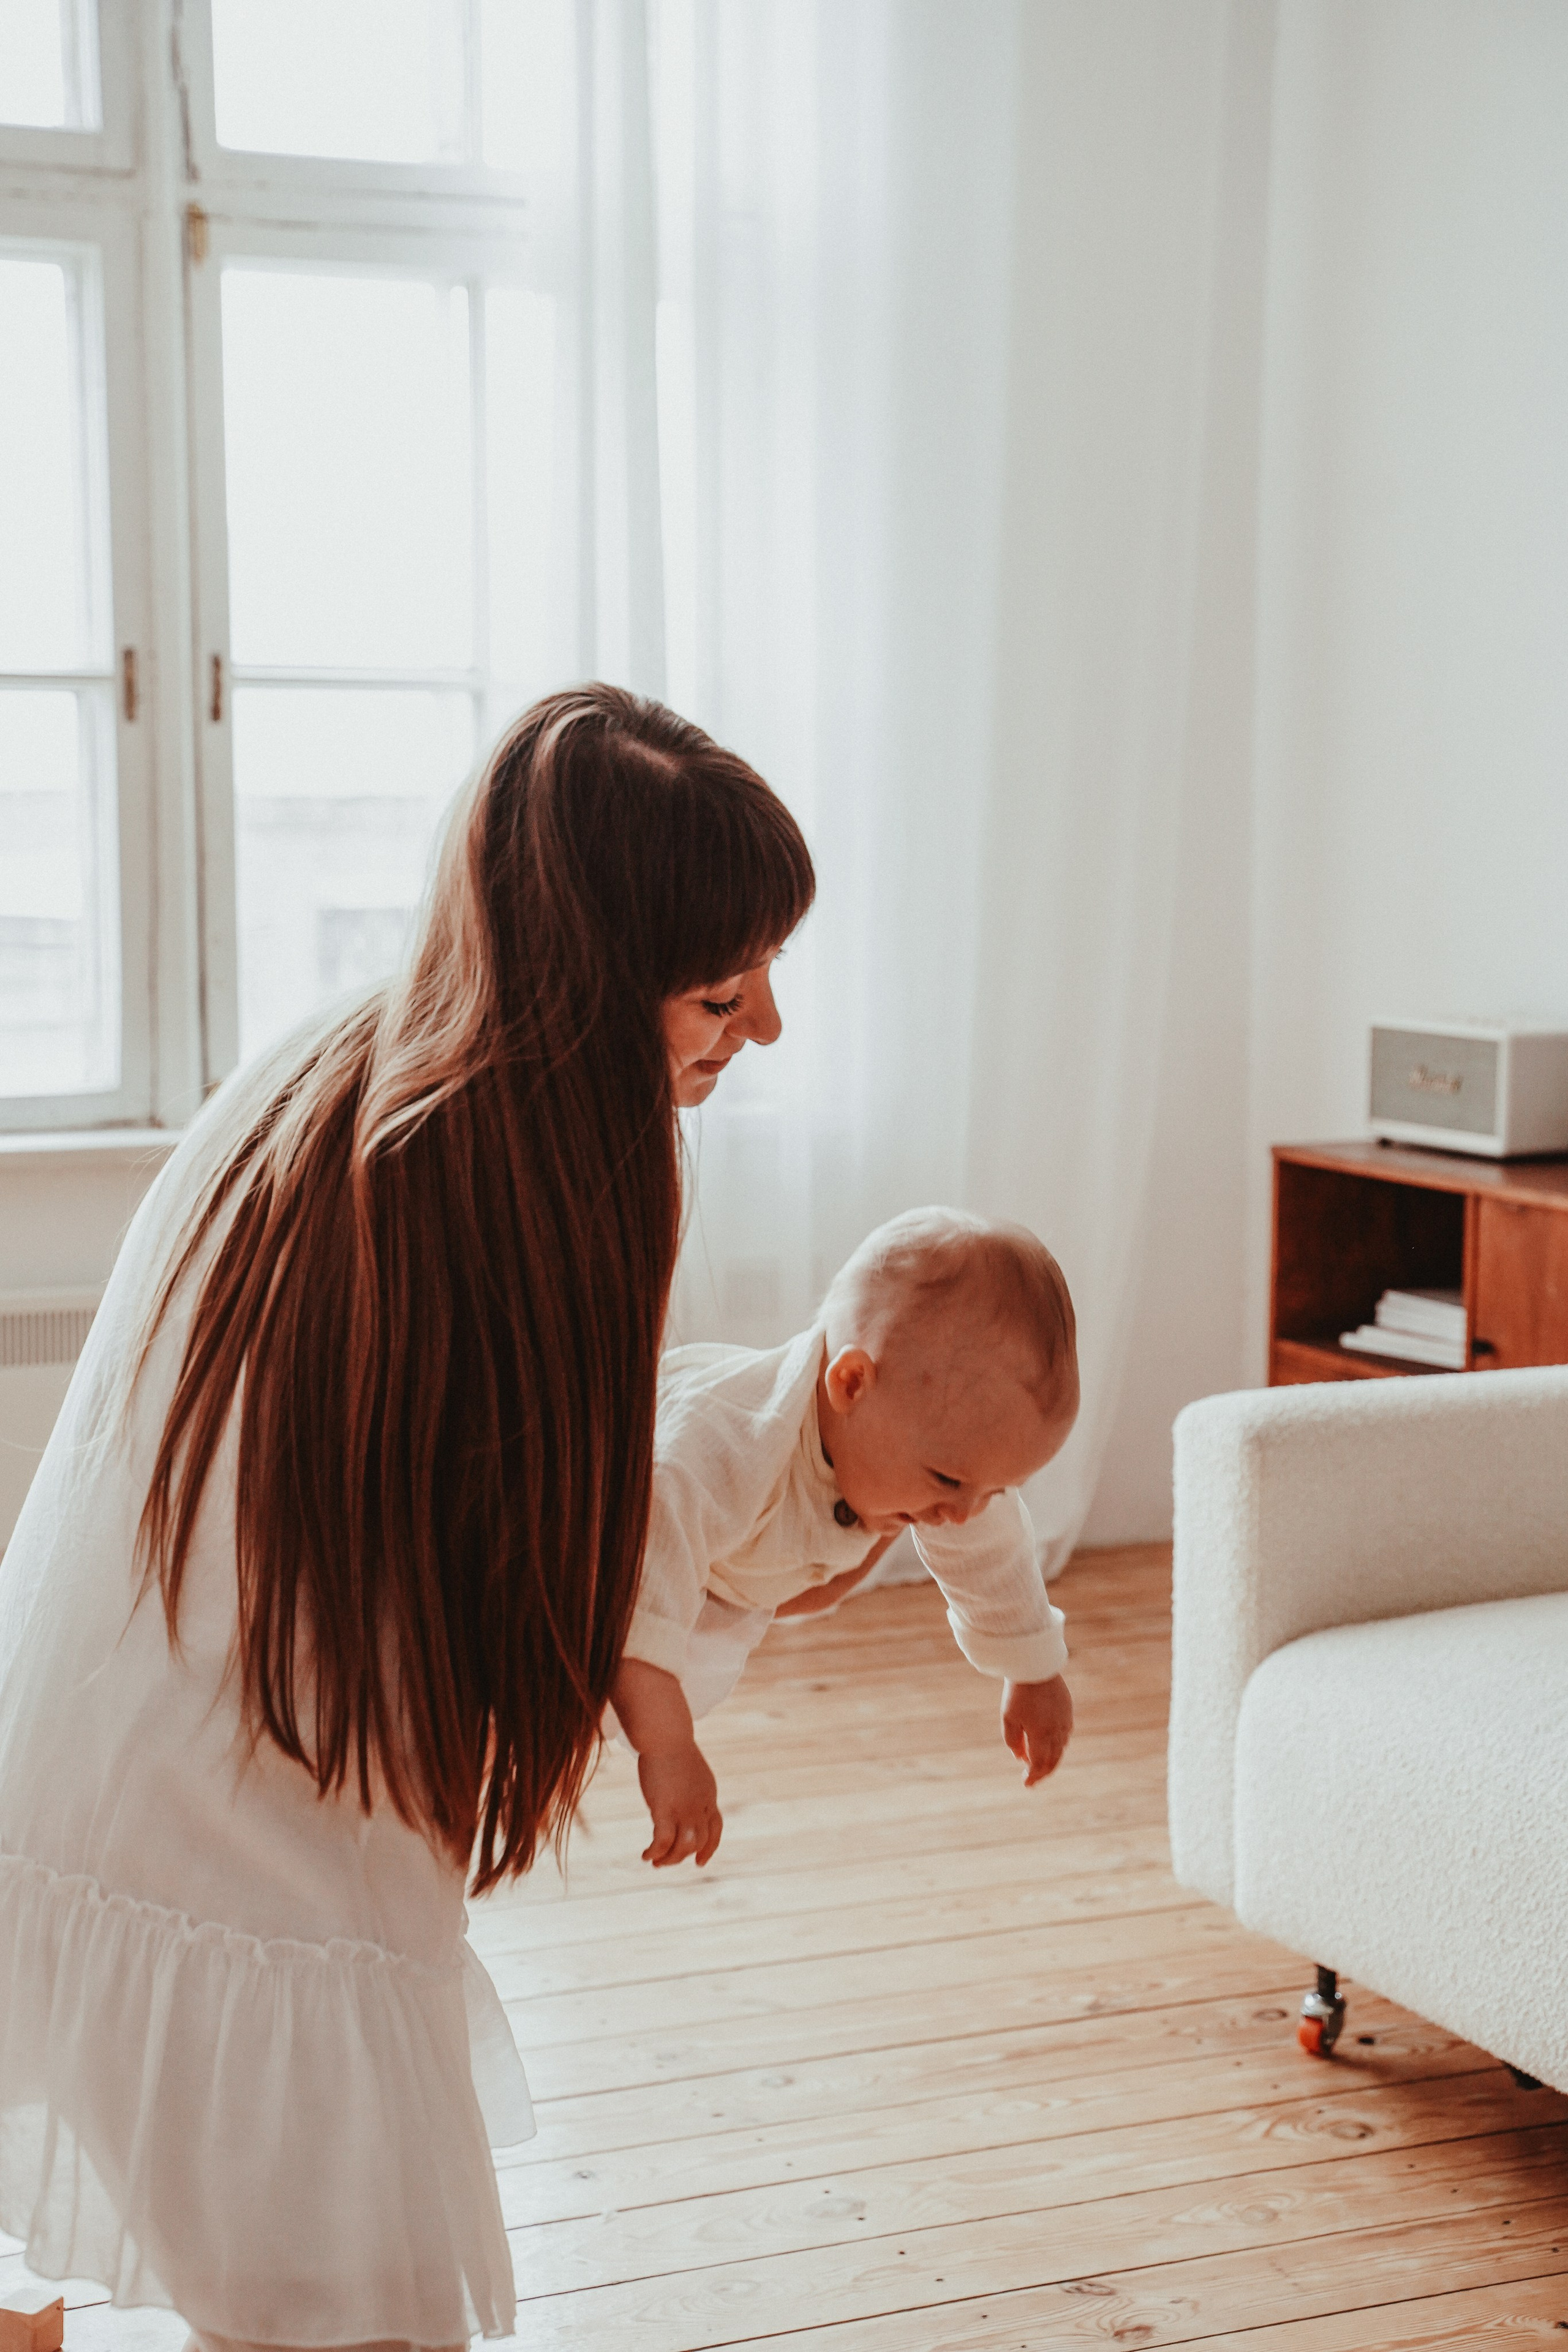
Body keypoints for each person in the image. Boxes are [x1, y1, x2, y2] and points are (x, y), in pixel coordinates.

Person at [0, 685, 813, 2352]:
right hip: (246, 1828)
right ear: (593, 984)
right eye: (721, 991)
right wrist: (727, 1597)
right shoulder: (501, 1172)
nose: (767, 1027)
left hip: (79, 1765)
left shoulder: (341, 1062)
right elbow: (531, 1590)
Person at [609, 1207, 1080, 1868]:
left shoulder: (949, 1462)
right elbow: (637, 1593)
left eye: (994, 1490)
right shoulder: (717, 1451)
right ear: (851, 1383)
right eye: (948, 1481)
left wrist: (1033, 1669)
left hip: (728, 1590)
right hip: (599, 1561)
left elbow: (991, 1553)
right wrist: (668, 1749)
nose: (964, 1512)